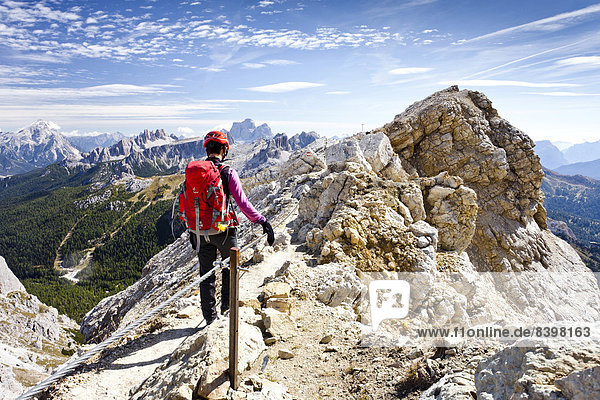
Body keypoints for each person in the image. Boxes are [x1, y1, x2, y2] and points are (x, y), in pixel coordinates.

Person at [190, 130, 275, 325]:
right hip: (224, 231)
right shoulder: (228, 172)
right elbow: (243, 204)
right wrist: (263, 221)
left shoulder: (197, 171)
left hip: (199, 231)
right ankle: (227, 309)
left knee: (206, 275)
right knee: (230, 269)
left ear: (207, 149)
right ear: (224, 150)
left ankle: (210, 319)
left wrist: (192, 230)